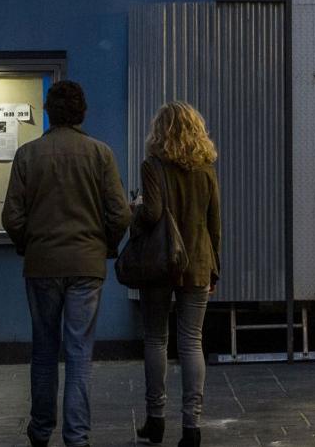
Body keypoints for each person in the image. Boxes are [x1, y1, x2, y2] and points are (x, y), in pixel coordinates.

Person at [3, 81, 132, 447]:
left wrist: (29, 244)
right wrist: (105, 246)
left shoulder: (28, 155)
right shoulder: (100, 154)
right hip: (86, 267)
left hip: (42, 265)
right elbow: (120, 214)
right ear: (82, 113)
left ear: (48, 111)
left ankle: (41, 430)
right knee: (79, 353)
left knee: (44, 349)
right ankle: (77, 436)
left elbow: (11, 217)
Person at [134, 102, 221, 447]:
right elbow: (215, 223)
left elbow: (152, 214)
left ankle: (155, 421)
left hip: (159, 263)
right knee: (191, 341)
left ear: (161, 130)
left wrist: (135, 211)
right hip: (199, 262)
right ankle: (192, 427)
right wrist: (215, 268)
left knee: (156, 339)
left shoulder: (152, 166)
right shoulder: (206, 169)